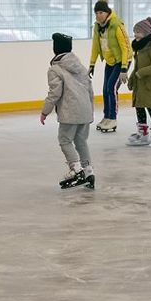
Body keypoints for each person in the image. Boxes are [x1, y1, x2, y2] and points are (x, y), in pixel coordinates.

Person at [41, 32, 95, 190]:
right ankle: (88, 170)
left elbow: (54, 93)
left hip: (70, 112)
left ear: (55, 49)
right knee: (81, 141)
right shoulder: (81, 67)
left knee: (65, 140)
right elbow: (90, 90)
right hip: (85, 110)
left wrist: (45, 111)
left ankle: (77, 170)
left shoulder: (55, 69)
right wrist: (90, 111)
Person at [87, 0, 131, 133]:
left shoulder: (116, 25)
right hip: (111, 61)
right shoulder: (97, 27)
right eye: (96, 13)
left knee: (112, 88)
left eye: (101, 12)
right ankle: (107, 116)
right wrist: (92, 64)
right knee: (105, 89)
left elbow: (125, 47)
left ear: (107, 13)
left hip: (122, 61)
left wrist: (124, 68)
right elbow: (95, 46)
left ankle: (113, 118)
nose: (99, 15)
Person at [125, 16, 151, 147]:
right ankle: (143, 133)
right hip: (140, 83)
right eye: (134, 31)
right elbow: (137, 66)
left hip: (150, 83)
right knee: (139, 106)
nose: (135, 34)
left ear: (146, 33)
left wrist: (141, 73)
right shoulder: (139, 47)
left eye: (138, 32)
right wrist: (132, 78)